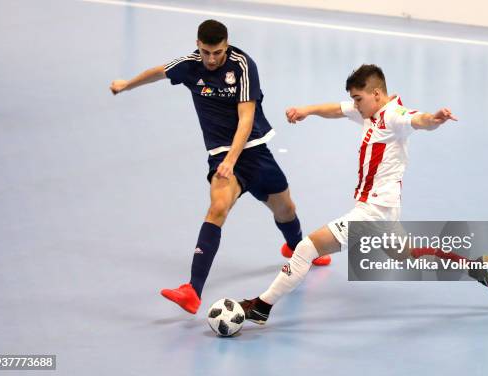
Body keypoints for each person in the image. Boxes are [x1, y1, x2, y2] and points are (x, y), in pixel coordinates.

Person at [240, 64, 488, 324]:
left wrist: (434, 119)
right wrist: (306, 110)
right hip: (384, 209)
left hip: (373, 210)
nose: (354, 104)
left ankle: (261, 307)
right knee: (406, 255)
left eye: (358, 98)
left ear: (376, 94)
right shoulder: (369, 113)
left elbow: (418, 119)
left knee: (307, 247)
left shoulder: (393, 115)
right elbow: (337, 109)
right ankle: (476, 267)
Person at [109, 19, 330, 315]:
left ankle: (295, 249)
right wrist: (127, 84)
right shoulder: (190, 64)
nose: (211, 59)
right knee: (217, 208)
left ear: (226, 45)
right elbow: (158, 72)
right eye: (206, 52)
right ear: (198, 45)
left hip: (253, 151)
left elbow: (246, 118)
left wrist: (232, 159)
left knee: (286, 210)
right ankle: (192, 290)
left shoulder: (242, 65)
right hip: (221, 158)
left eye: (217, 52)